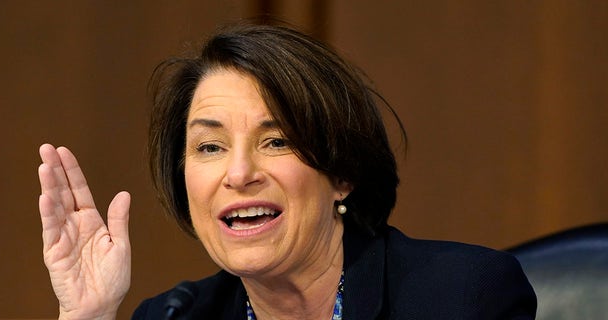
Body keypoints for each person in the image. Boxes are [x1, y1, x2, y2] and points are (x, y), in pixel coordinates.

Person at [38, 23, 537, 319]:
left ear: (341, 172)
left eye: (276, 141)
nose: (238, 173)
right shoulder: (178, 316)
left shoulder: (462, 297)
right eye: (209, 147)